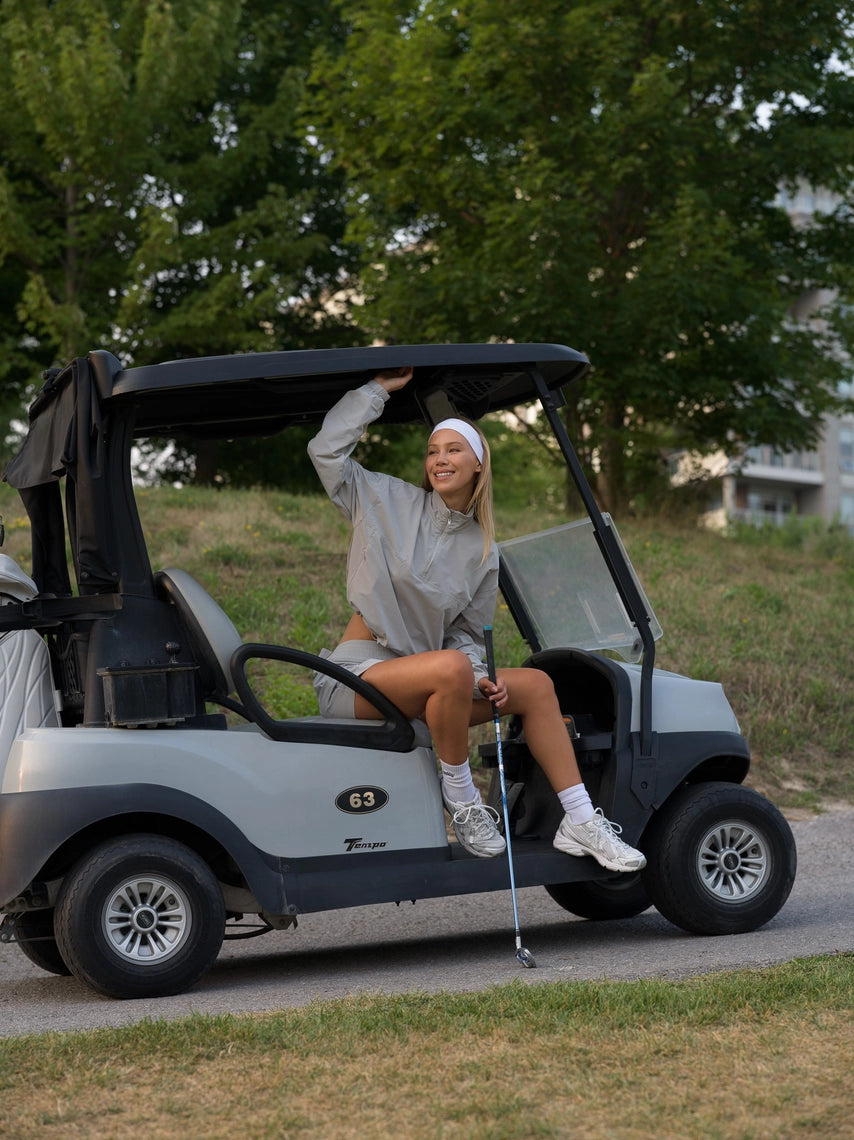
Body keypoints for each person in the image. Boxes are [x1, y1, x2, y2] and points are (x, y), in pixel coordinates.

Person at [308, 366, 646, 872]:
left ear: (479, 463)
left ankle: (579, 820)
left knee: (533, 685)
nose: (439, 459)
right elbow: (325, 451)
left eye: (453, 449)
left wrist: (485, 681)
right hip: (357, 680)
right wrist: (376, 391)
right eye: (432, 451)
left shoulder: (483, 551)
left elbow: (465, 635)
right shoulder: (382, 499)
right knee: (450, 669)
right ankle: (463, 801)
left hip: (431, 688)